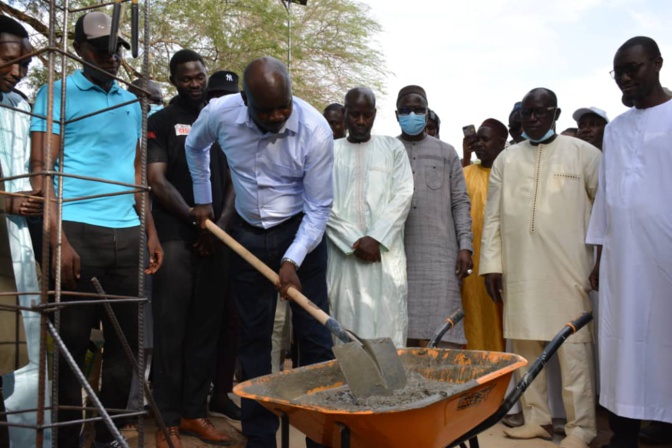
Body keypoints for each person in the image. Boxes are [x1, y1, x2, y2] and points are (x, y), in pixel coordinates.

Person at [29, 12, 163, 447]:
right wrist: (58, 237)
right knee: (71, 344)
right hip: (76, 231)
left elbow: (137, 172)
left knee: (127, 344)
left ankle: (105, 434)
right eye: (99, 50)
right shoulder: (57, 93)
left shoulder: (131, 101)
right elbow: (40, 173)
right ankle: (68, 438)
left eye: (116, 51)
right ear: (78, 50)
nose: (110, 58)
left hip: (127, 233)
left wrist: (152, 233)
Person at [185, 56, 334, 448]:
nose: (277, 116)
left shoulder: (315, 129)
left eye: (283, 106)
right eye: (265, 110)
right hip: (247, 235)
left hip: (301, 233)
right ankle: (259, 438)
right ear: (245, 100)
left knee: (315, 341)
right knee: (252, 339)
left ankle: (318, 436)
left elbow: (319, 209)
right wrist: (203, 200)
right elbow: (194, 147)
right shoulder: (221, 113)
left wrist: (292, 259)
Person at [480, 87, 600, 448]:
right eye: (528, 113)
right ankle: (538, 419)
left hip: (569, 269)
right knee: (526, 347)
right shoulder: (506, 159)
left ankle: (581, 428)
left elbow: (606, 212)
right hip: (519, 268)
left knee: (573, 348)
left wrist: (600, 261)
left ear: (555, 113)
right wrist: (491, 265)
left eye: (541, 112)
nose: (533, 119)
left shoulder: (585, 155)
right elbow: (494, 217)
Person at [586, 36, 672, 448]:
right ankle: (624, 432)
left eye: (632, 68)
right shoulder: (616, 130)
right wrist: (599, 257)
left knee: (664, 339)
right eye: (617, 71)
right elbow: (607, 195)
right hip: (622, 258)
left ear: (656, 64)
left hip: (664, 257)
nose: (624, 78)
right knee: (621, 340)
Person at [147, 50, 232, 448]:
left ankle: (194, 413)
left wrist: (218, 228)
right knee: (171, 331)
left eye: (199, 76)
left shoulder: (225, 122)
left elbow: (238, 181)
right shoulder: (161, 121)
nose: (195, 84)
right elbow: (157, 180)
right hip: (176, 237)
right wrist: (195, 220)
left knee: (205, 331)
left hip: (216, 239)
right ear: (174, 80)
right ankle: (167, 421)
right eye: (186, 79)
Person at [327, 87, 413, 347]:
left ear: (375, 114)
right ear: (344, 114)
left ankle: (390, 387)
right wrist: (355, 239)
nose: (361, 121)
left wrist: (375, 237)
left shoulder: (393, 148)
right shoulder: (329, 151)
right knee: (346, 325)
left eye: (367, 115)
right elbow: (321, 202)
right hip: (344, 258)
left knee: (388, 325)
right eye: (354, 115)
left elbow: (403, 195)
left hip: (384, 257)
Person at [0, 16, 51, 447]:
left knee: (21, 355)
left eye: (24, 66)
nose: (16, 72)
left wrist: (32, 198)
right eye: (8, 61)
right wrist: (5, 200)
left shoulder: (19, 104)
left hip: (16, 243)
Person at [395, 85, 473, 348]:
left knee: (443, 335)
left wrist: (465, 246)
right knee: (401, 332)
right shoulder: (387, 150)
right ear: (397, 114)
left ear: (427, 114)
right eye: (407, 110)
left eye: (419, 110)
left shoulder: (447, 152)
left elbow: (460, 202)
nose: (413, 115)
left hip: (440, 258)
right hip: (397, 257)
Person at [202, 69, 243, 422]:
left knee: (231, 321)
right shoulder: (196, 130)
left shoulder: (241, 134)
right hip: (194, 239)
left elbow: (237, 188)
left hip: (230, 240)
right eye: (215, 96)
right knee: (198, 323)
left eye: (227, 97)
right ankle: (193, 396)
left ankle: (222, 392)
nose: (220, 103)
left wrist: (221, 228)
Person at [460, 119, 507, 353]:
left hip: (506, 261)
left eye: (485, 139)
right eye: (477, 139)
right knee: (476, 314)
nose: (479, 144)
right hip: (472, 261)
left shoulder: (512, 174)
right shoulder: (465, 174)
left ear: (502, 142)